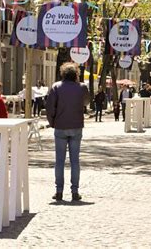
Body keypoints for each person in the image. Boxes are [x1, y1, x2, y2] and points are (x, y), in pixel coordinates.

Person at [46, 63, 90, 202]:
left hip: (60, 126)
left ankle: (59, 191)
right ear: (76, 74)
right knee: (74, 161)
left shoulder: (56, 87)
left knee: (59, 161)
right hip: (76, 126)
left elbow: (50, 108)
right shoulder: (82, 87)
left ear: (62, 73)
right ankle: (75, 191)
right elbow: (87, 102)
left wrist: (52, 122)